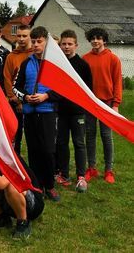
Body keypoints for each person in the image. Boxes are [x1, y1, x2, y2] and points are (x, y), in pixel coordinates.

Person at [13, 26, 61, 201]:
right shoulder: (26, 62)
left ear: (46, 42)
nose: (35, 44)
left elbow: (63, 89)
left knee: (47, 150)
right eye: (33, 41)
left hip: (47, 112)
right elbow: (15, 87)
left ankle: (50, 186)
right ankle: (36, 184)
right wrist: (25, 97)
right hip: (30, 113)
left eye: (39, 41)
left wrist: (46, 96)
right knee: (33, 150)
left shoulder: (55, 64)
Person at [82, 27, 123, 184]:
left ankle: (108, 170)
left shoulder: (113, 59)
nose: (95, 41)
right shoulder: (85, 58)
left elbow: (118, 82)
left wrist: (116, 104)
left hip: (107, 103)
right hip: (90, 104)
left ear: (104, 40)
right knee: (90, 136)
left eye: (99, 38)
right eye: (92, 38)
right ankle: (91, 168)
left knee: (106, 136)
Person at [55, 30, 92, 192]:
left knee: (78, 143)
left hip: (77, 112)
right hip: (60, 111)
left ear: (76, 45)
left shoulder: (83, 65)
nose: (66, 47)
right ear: (60, 45)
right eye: (64, 44)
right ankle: (64, 174)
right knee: (61, 143)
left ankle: (81, 177)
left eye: (70, 44)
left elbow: (88, 89)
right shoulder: (57, 63)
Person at [3, 25, 32, 154]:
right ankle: (16, 160)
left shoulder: (34, 54)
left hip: (33, 100)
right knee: (16, 134)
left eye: (24, 36)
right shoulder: (11, 56)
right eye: (19, 36)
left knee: (33, 135)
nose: (21, 39)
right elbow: (7, 78)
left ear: (30, 36)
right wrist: (16, 100)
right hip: (16, 102)